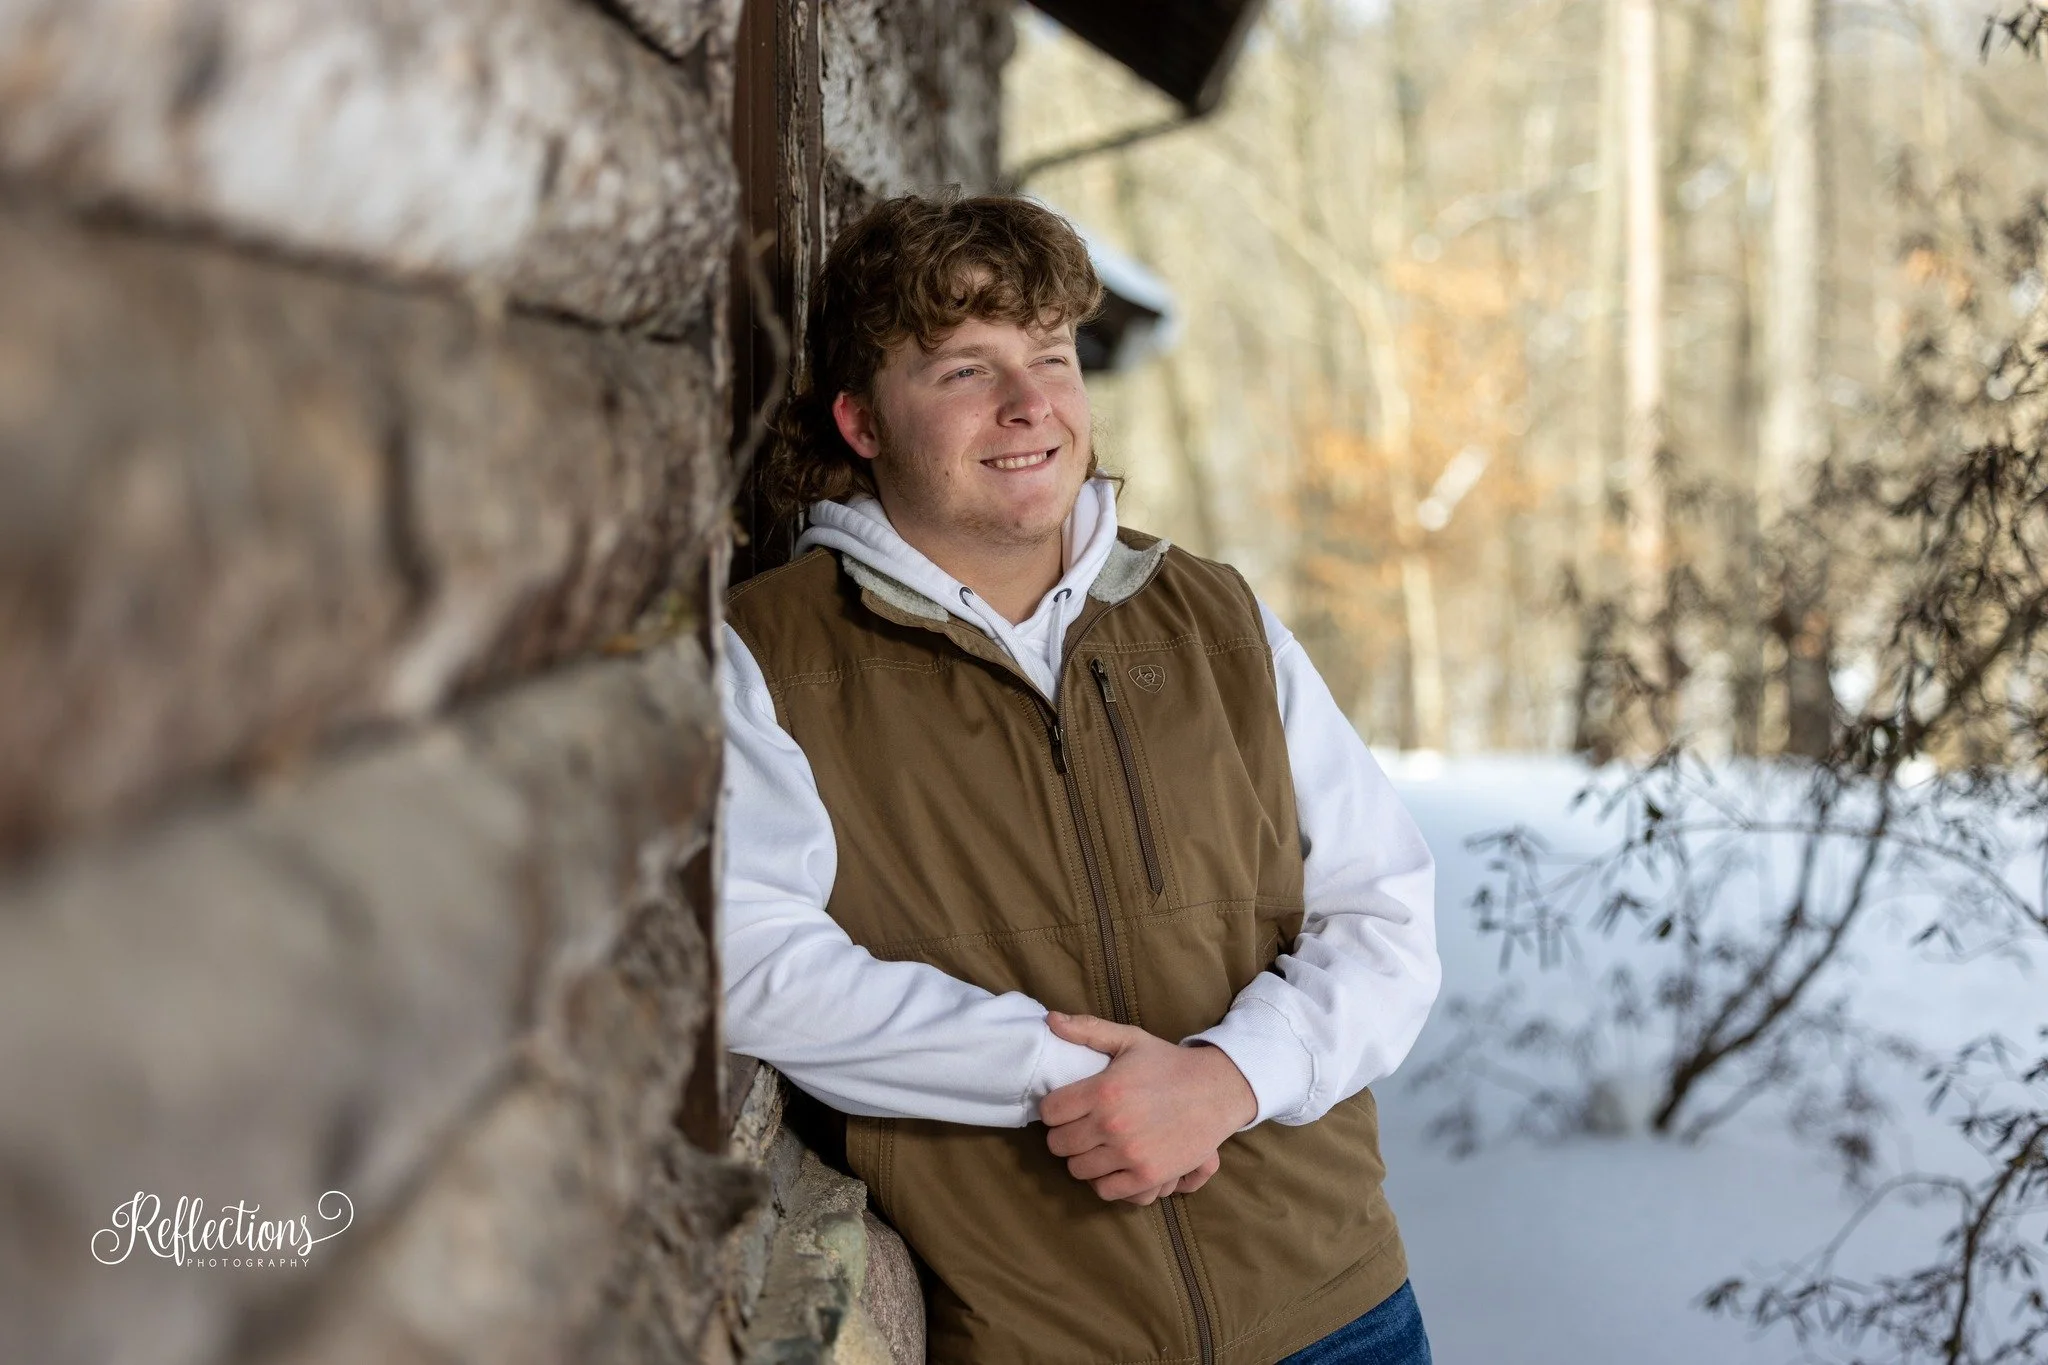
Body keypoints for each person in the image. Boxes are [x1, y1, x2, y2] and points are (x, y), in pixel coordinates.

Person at [719, 191, 1440, 1365]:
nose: (1027, 405)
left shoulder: (1216, 618)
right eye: (963, 369)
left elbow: (1385, 915)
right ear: (858, 419)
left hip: (1337, 1309)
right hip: (1039, 1334)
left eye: (1050, 356)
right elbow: (757, 968)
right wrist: (1079, 1082)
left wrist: (1223, 1081)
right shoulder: (772, 659)